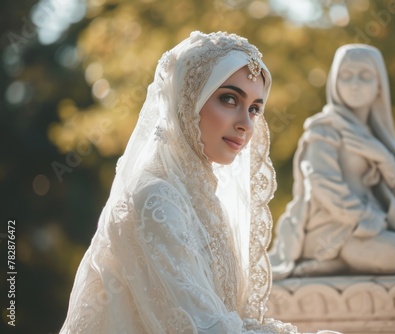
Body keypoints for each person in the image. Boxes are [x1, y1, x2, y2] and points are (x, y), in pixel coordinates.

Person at [60, 31, 301, 333]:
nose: (246, 124)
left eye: (254, 108)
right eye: (229, 99)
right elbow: (203, 327)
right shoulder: (156, 197)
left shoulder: (201, 197)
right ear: (187, 101)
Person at [269, 44, 395, 279]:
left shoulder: (383, 139)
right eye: (346, 76)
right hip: (333, 231)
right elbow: (323, 185)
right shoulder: (324, 130)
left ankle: (368, 259)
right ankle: (328, 261)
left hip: (377, 229)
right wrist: (367, 217)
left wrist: (383, 158)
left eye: (365, 76)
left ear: (380, 84)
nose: (355, 84)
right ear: (334, 83)